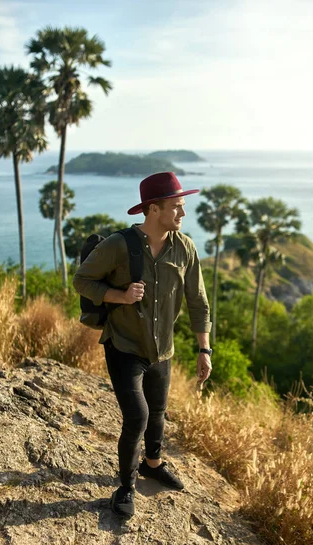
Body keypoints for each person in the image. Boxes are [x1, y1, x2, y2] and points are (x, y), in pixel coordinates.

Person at [73, 172, 212, 518]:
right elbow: (82, 279)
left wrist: (204, 349)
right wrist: (118, 296)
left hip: (162, 350)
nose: (183, 214)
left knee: (159, 412)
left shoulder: (185, 248)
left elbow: (198, 302)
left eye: (183, 207)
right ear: (153, 209)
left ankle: (153, 463)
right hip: (123, 346)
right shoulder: (119, 245)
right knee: (137, 415)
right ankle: (125, 486)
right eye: (177, 207)